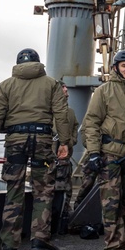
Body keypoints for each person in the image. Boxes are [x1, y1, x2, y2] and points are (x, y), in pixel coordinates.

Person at [0, 48, 71, 250]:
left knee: (14, 191)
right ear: (38, 63)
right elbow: (60, 113)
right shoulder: (51, 84)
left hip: (15, 141)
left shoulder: (5, 85)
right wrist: (64, 142)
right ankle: (40, 239)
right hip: (42, 140)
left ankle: (8, 246)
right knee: (43, 191)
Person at [81, 49, 125, 250]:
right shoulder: (104, 91)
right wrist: (93, 153)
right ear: (116, 67)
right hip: (110, 153)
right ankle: (113, 249)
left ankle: (123, 237)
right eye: (124, 65)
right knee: (111, 203)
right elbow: (91, 123)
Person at [52, 81, 79, 235]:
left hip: (65, 159)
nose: (67, 93)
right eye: (64, 90)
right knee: (50, 192)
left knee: (65, 191)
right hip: (50, 158)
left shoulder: (70, 112)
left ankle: (61, 225)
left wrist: (71, 140)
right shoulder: (48, 111)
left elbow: (75, 126)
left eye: (67, 90)